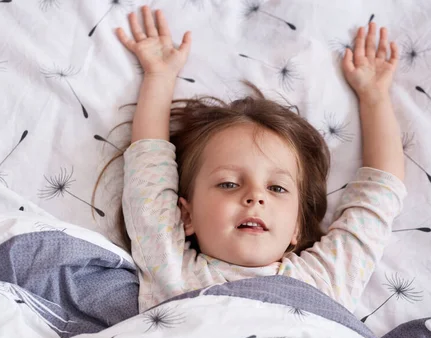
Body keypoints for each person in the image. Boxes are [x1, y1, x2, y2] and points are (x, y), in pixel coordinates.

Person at [100, 5, 406, 312]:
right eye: (229, 183)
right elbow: (149, 170)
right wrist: (159, 75)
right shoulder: (170, 266)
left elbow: (378, 197)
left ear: (297, 225)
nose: (255, 196)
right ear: (186, 216)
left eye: (277, 189)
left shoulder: (322, 280)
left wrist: (375, 97)